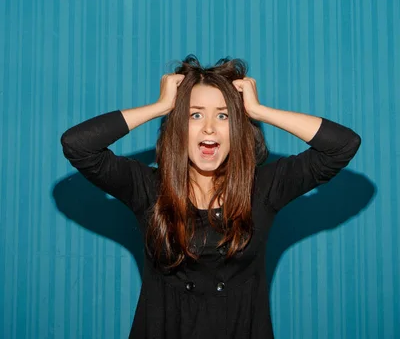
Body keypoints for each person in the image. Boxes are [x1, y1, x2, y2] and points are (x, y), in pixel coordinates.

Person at [60, 55, 361, 338]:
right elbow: (77, 145)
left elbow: (343, 146)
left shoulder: (264, 188)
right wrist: (161, 107)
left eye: (223, 115)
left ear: (239, 128)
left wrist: (259, 111)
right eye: (194, 115)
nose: (209, 128)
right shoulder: (147, 188)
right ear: (178, 127)